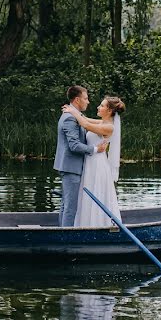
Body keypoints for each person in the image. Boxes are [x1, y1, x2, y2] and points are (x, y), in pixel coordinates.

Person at [61, 95, 124, 227]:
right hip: (90, 163)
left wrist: (73, 111)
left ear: (109, 111)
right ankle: (85, 223)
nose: (98, 107)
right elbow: (85, 119)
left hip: (98, 165)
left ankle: (98, 224)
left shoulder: (109, 127)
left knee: (97, 192)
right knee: (86, 194)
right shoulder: (102, 122)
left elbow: (85, 124)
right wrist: (75, 111)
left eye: (102, 105)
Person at [54, 86, 108, 227]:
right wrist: (96, 149)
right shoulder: (70, 118)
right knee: (70, 207)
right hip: (71, 167)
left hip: (70, 166)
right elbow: (74, 145)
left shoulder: (74, 115)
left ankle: (62, 233)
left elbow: (86, 122)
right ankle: (66, 238)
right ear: (77, 100)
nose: (88, 101)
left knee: (66, 204)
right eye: (85, 98)